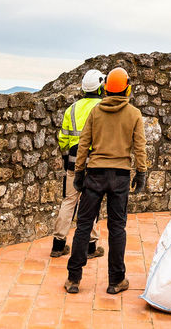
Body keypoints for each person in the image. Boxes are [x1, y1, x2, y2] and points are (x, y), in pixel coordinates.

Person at [66, 67, 148, 296]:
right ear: (127, 89)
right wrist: (141, 173)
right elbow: (140, 147)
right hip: (120, 176)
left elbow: (84, 144)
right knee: (117, 228)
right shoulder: (134, 114)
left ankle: (73, 278)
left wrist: (79, 172)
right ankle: (116, 280)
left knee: (84, 226)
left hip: (95, 174)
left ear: (106, 89)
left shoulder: (96, 112)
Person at [51, 68, 106, 259]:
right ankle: (91, 247)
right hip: (96, 161)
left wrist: (67, 158)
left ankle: (58, 245)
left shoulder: (72, 109)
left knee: (69, 201)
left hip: (74, 161)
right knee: (91, 201)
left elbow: (63, 139)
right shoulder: (103, 107)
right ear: (100, 87)